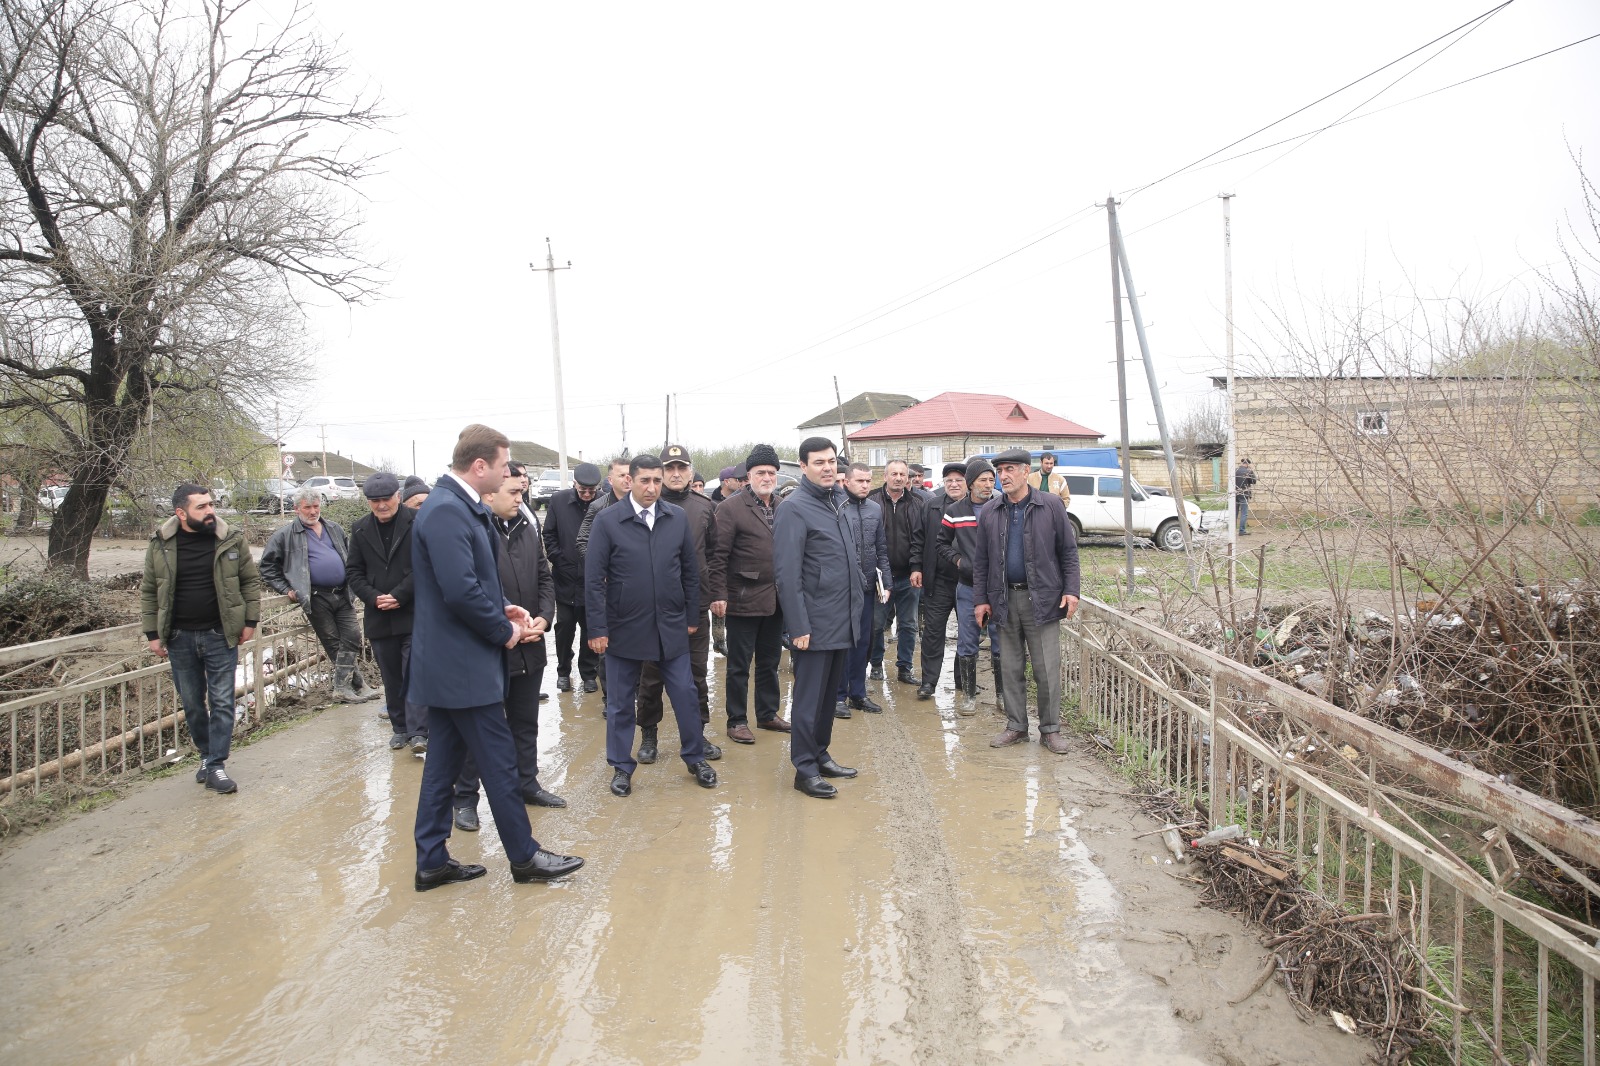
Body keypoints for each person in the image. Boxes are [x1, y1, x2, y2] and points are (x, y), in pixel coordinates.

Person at [409, 423, 583, 891]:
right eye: (506, 466)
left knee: (442, 765)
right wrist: (503, 629)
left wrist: (501, 605)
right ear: (480, 466)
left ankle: (431, 860)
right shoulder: (447, 510)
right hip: (462, 666)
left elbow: (468, 583)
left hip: (452, 666)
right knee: (500, 762)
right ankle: (525, 857)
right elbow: (459, 591)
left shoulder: (457, 506)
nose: (513, 474)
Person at [586, 454, 717, 797]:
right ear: (629, 481)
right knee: (619, 701)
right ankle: (620, 766)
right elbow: (594, 580)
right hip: (623, 628)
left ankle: (694, 756)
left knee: (686, 694)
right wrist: (597, 629)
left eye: (657, 481)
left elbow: (689, 571)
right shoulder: (609, 520)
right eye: (645, 480)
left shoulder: (675, 519)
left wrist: (690, 617)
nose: (652, 487)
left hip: (670, 626)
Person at [452, 469, 564, 829]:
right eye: (513, 492)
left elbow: (544, 578)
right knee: (480, 728)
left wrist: (544, 619)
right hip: (490, 647)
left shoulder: (527, 530)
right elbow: (469, 593)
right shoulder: (477, 533)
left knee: (524, 721)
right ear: (490, 493)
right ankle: (466, 798)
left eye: (521, 492)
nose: (520, 498)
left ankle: (526, 783)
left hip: (530, 641)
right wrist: (507, 628)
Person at [140, 483, 262, 794]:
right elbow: (150, 590)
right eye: (202, 507)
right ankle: (207, 758)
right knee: (193, 704)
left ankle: (216, 764)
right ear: (181, 513)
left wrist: (249, 621)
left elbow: (250, 581)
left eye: (211, 504)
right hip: (179, 637)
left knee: (222, 701)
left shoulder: (230, 538)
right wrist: (153, 633)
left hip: (220, 634)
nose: (210, 511)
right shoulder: (161, 543)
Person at [973, 448, 1080, 753]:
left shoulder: (1050, 506)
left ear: (1024, 471)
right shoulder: (992, 512)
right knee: (1010, 667)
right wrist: (981, 599)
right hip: (1005, 600)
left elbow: (1068, 552)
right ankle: (1016, 726)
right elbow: (981, 561)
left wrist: (1071, 590)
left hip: (1043, 600)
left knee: (1046, 669)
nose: (1002, 477)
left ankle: (1050, 729)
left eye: (1008, 470)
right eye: (999, 472)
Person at [775, 437, 863, 799]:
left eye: (831, 461)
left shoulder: (838, 501)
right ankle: (804, 768)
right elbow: (786, 573)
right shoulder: (794, 508)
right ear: (803, 466)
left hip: (841, 618)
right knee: (809, 699)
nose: (828, 467)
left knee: (829, 698)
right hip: (813, 623)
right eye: (819, 462)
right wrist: (798, 626)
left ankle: (820, 752)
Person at [636, 445, 722, 764]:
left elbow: (714, 555)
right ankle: (648, 734)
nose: (675, 474)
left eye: (681, 468)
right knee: (651, 674)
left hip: (694, 606)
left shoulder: (703, 507)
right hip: (653, 609)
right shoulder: (645, 506)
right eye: (669, 468)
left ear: (689, 471)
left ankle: (697, 733)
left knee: (696, 675)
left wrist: (714, 594)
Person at [706, 444, 792, 745]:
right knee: (740, 664)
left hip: (776, 600)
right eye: (760, 473)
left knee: (769, 661)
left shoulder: (783, 506)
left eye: (771, 472)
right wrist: (718, 594)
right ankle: (737, 720)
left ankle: (767, 714)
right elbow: (717, 556)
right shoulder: (729, 508)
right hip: (742, 597)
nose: (766, 477)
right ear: (748, 476)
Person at [260, 487, 376, 703]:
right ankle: (354, 685)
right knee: (332, 641)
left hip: (342, 593)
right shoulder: (285, 535)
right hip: (315, 596)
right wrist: (286, 589)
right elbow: (267, 567)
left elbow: (351, 556)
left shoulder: (333, 528)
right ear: (296, 509)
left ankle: (349, 685)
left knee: (352, 636)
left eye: (316, 507)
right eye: (308, 507)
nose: (313, 512)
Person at [344, 472, 427, 753]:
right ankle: (400, 728)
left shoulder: (417, 522)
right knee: (391, 676)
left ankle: (419, 731)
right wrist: (374, 597)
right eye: (374, 501)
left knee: (414, 671)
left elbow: (425, 564)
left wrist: (400, 595)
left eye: (386, 499)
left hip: (413, 611)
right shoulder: (359, 529)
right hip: (379, 614)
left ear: (398, 497)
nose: (381, 505)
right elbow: (354, 572)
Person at [937, 458, 997, 714]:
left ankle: (1003, 696)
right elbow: (942, 543)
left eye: (991, 480)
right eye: (983, 480)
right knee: (967, 641)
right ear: (971, 484)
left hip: (998, 588)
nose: (988, 484)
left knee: (1001, 643)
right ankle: (969, 697)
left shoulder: (1000, 507)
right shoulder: (955, 510)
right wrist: (959, 560)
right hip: (968, 586)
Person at [835, 462, 890, 718]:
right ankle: (837, 696)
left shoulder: (875, 509)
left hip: (868, 586)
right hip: (842, 590)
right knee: (843, 642)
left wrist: (886, 582)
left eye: (868, 481)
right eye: (860, 481)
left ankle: (858, 692)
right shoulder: (836, 507)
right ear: (846, 481)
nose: (865, 485)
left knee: (863, 641)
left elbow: (881, 549)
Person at [542, 461, 602, 694]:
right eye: (582, 489)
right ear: (574, 484)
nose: (587, 494)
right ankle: (563, 670)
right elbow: (549, 534)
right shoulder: (558, 501)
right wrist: (558, 559)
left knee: (590, 627)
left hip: (591, 579)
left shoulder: (602, 502)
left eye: (591, 490)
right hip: (565, 578)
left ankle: (588, 673)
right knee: (564, 626)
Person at [914, 461, 967, 700]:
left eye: (958, 480)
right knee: (933, 632)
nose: (953, 484)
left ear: (968, 483)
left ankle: (962, 680)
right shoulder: (931, 506)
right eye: (949, 481)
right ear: (943, 483)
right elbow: (918, 539)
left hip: (969, 582)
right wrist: (916, 567)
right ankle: (929, 682)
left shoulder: (980, 506)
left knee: (967, 633)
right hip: (938, 581)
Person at [868, 458, 924, 684]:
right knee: (876, 625)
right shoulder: (872, 501)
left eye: (903, 474)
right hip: (880, 578)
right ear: (885, 476)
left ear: (908, 478)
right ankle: (876, 665)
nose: (899, 478)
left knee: (909, 625)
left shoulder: (918, 502)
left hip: (908, 576)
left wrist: (917, 566)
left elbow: (920, 538)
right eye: (894, 474)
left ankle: (905, 667)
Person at [1235, 458, 1257, 535]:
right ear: (1247, 464)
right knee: (1244, 513)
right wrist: (1251, 472)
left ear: (1242, 463)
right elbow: (1254, 481)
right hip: (1244, 493)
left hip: (1235, 494)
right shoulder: (1248, 471)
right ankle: (1241, 530)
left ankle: (1232, 530)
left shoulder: (1235, 470)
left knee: (1235, 512)